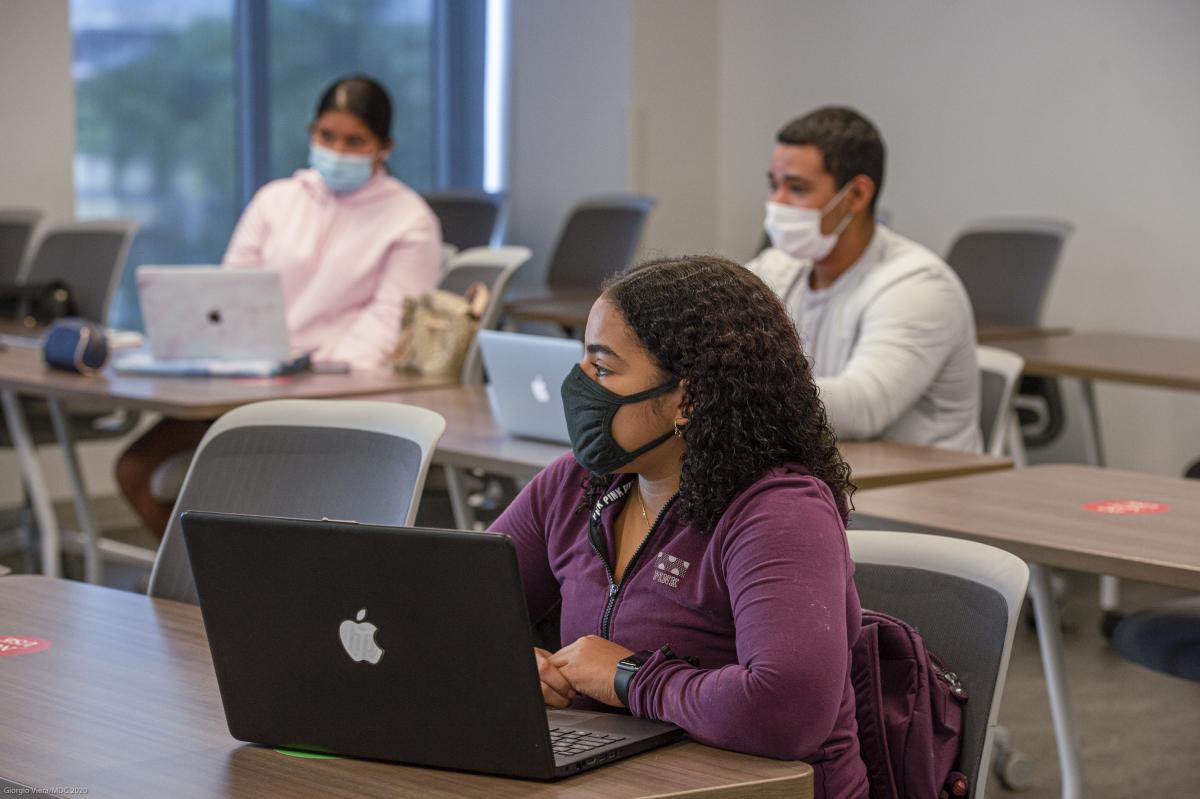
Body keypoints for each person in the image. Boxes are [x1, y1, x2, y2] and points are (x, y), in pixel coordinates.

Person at [490, 256, 869, 799]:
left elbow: (786, 711)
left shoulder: (779, 512)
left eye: (604, 369)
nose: (577, 388)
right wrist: (501, 662)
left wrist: (630, 678)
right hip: (616, 783)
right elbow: (458, 608)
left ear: (686, 399)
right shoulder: (576, 486)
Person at [115, 74, 442, 538]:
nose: (337, 150)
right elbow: (228, 300)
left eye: (355, 141)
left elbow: (383, 333)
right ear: (311, 132)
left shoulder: (410, 220)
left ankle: (230, 587)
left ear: (384, 147)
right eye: (327, 136)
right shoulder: (275, 201)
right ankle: (204, 588)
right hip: (243, 390)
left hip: (332, 401)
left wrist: (300, 381)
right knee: (135, 470)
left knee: (245, 496)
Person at [747, 107, 981, 452]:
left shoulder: (919, 285)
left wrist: (734, 392)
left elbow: (864, 407)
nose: (776, 202)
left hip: (923, 492)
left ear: (856, 195)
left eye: (796, 188)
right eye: (774, 185)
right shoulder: (777, 269)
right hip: (833, 476)